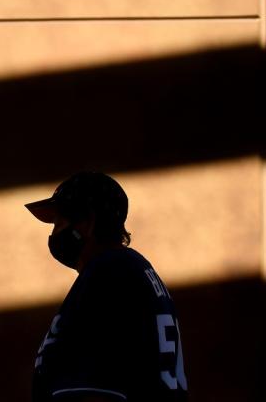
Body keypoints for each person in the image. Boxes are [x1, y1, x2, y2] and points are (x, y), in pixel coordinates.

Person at [26, 172, 188, 402]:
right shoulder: (132, 270)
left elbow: (91, 390)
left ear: (88, 223)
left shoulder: (109, 273)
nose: (54, 235)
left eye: (60, 222)